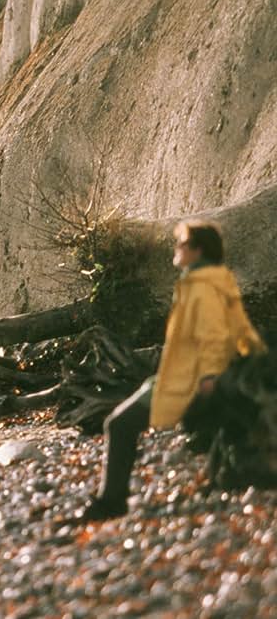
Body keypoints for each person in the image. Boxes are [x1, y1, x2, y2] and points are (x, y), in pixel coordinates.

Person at [80, 220, 265, 520]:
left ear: (197, 250)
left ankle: (112, 500)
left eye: (182, 244)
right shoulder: (212, 280)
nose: (176, 249)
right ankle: (226, 476)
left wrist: (208, 377)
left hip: (187, 382)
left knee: (120, 423)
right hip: (182, 378)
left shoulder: (200, 286)